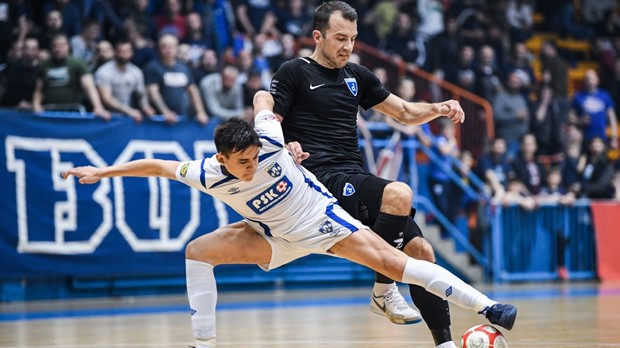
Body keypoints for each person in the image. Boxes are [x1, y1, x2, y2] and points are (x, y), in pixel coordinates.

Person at [62, 91, 517, 348]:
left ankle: (488, 308)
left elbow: (263, 96)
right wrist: (102, 171)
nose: (251, 166)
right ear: (222, 158)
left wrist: (266, 107)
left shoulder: (270, 140)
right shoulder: (205, 173)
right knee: (197, 252)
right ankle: (204, 344)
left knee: (397, 265)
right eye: (242, 162)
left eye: (254, 157)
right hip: (274, 239)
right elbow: (156, 165)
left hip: (323, 222)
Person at [270, 2, 466, 347]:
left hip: (353, 175)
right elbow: (270, 123)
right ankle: (383, 288)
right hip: (319, 181)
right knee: (399, 194)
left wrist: (438, 108)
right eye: (340, 38)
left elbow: (404, 111)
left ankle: (445, 343)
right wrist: (286, 145)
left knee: (422, 252)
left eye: (353, 39)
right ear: (318, 36)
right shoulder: (294, 71)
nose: (347, 46)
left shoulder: (356, 76)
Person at [32, 34, 110, 119]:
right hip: (48, 110)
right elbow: (39, 89)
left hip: (72, 111)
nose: (58, 49)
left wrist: (97, 106)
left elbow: (89, 87)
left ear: (67, 46)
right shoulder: (45, 65)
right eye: (55, 46)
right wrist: (36, 105)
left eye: (61, 46)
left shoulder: (77, 64)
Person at [144, 34, 208, 125]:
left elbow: (193, 91)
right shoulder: (153, 67)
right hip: (161, 120)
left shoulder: (184, 68)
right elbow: (153, 92)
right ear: (159, 49)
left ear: (177, 48)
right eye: (164, 47)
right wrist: (165, 112)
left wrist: (200, 112)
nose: (168, 50)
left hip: (183, 118)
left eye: (171, 47)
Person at [95, 40, 155, 122]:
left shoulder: (136, 71)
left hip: (130, 117)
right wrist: (129, 111)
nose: (124, 55)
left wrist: (146, 107)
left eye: (127, 51)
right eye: (121, 51)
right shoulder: (104, 71)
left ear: (132, 52)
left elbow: (141, 94)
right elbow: (106, 98)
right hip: (108, 117)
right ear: (115, 52)